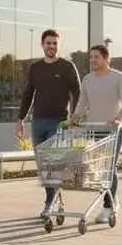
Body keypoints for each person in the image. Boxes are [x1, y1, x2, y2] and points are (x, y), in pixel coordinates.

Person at [17, 28, 82, 218]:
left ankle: (49, 203)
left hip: (59, 122)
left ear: (58, 45)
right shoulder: (35, 68)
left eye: (54, 43)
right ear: (42, 45)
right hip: (38, 122)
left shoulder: (67, 67)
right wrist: (21, 118)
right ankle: (56, 199)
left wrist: (74, 116)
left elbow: (77, 92)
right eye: (48, 43)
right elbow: (28, 94)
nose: (51, 46)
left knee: (53, 163)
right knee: (42, 165)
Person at [72, 44, 122, 224]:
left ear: (107, 59)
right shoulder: (87, 79)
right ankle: (112, 201)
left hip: (113, 131)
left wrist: (118, 118)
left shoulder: (118, 77)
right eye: (91, 57)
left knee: (109, 168)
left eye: (97, 57)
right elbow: (82, 103)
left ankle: (108, 207)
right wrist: (75, 118)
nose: (93, 60)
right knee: (99, 170)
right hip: (93, 131)